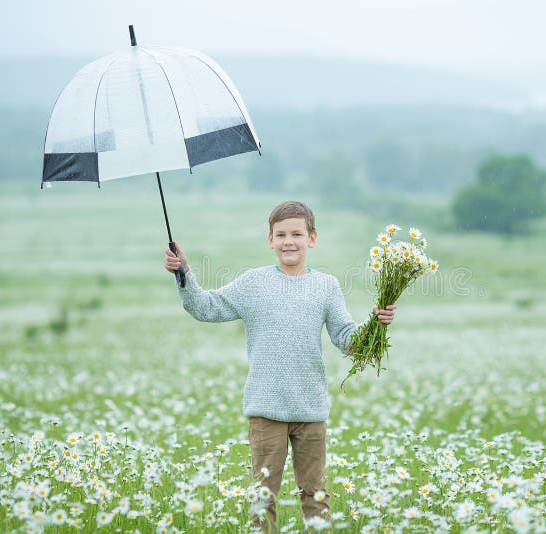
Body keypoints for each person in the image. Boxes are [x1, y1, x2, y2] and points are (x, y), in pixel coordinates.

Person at [164, 200, 396, 533]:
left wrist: (376, 325)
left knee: (315, 495)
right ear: (270, 240)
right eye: (281, 234)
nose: (289, 241)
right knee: (262, 497)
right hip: (266, 409)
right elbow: (207, 308)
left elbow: (346, 337)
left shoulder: (326, 286)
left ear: (312, 238)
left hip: (310, 410)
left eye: (297, 234)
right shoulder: (253, 283)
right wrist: (183, 271)